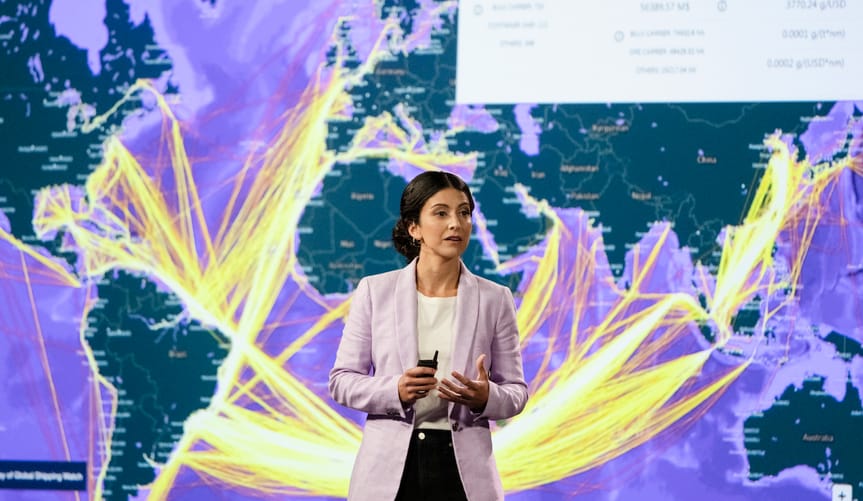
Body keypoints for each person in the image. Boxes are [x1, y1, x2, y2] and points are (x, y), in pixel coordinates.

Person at [329, 171, 529, 501]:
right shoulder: (375, 292)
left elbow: (516, 392)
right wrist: (395, 388)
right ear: (414, 228)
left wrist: (484, 397)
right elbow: (341, 381)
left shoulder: (496, 299)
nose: (456, 223)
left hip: (464, 473)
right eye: (441, 213)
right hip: (389, 473)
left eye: (464, 212)